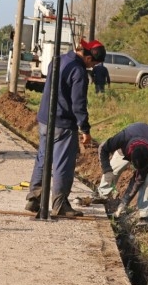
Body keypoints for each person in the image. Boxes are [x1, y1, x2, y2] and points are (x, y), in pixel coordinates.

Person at [25, 38, 107, 217]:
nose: (91, 68)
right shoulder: (78, 71)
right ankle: (60, 205)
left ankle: (34, 198)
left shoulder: (58, 60)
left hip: (44, 120)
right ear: (88, 58)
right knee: (63, 164)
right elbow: (79, 104)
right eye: (93, 64)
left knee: (43, 159)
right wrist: (85, 129)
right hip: (62, 124)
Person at [95, 122, 148, 223]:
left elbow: (138, 180)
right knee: (114, 167)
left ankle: (145, 214)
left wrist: (124, 203)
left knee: (147, 178)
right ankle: (103, 195)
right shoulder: (123, 137)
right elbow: (103, 148)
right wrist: (107, 170)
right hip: (129, 140)